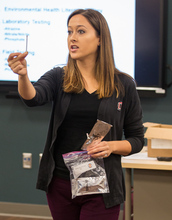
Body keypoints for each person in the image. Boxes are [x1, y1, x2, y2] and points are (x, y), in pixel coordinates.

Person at [7, 9, 144, 220]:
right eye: (69, 31)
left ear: (100, 39)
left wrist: (111, 146)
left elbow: (136, 140)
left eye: (81, 31)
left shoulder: (124, 85)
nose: (72, 37)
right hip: (61, 183)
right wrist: (23, 76)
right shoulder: (58, 77)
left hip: (102, 186)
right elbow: (33, 98)